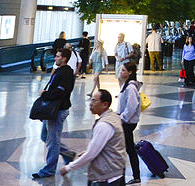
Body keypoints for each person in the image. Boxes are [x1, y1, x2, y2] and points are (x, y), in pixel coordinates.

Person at [59, 89, 127, 184]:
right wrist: (88, 151)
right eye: (91, 100)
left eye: (94, 101)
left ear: (104, 104)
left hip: (107, 177)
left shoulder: (104, 125)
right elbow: (104, 146)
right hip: (115, 173)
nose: (90, 103)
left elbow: (91, 154)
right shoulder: (113, 117)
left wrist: (68, 167)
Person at [32, 48, 76, 179]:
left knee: (53, 141)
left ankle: (49, 169)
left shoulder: (66, 73)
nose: (55, 58)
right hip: (52, 110)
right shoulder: (59, 71)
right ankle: (68, 154)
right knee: (45, 136)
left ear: (64, 59)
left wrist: (45, 94)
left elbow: (60, 92)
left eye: (57, 57)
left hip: (58, 111)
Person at [117, 63, 142, 184]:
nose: (121, 72)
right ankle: (135, 176)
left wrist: (122, 118)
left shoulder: (131, 87)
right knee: (129, 148)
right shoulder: (126, 85)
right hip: (126, 121)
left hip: (127, 122)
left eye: (123, 70)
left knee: (128, 149)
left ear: (130, 72)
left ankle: (134, 176)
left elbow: (132, 106)